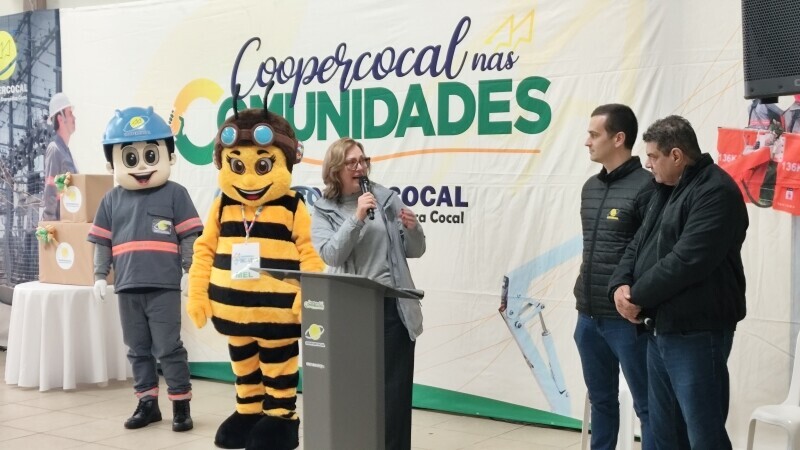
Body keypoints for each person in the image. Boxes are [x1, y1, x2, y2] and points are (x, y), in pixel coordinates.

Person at [186, 97, 324, 450]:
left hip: (278, 314)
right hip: (234, 313)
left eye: (263, 165)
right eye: (236, 165)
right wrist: (198, 293)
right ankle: (248, 410)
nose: (248, 178)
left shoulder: (292, 205)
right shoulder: (223, 205)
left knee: (279, 366)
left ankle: (281, 417)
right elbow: (204, 249)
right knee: (243, 365)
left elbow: (310, 252)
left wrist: (307, 295)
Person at [609, 115, 748, 450]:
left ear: (676, 155)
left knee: (704, 435)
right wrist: (619, 284)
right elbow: (638, 243)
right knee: (666, 433)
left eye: (653, 156)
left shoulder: (716, 191)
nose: (647, 164)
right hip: (661, 330)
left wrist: (637, 296)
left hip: (697, 333)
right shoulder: (665, 190)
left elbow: (687, 261)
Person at [88, 107, 203, 432]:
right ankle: (147, 403)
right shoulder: (111, 200)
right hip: (127, 287)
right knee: (137, 349)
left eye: (150, 155)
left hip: (164, 286)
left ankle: (180, 404)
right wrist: (99, 276)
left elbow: (189, 236)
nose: (141, 165)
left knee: (169, 348)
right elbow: (102, 242)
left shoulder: (176, 194)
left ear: (169, 156)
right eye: (130, 157)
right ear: (113, 163)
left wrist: (189, 269)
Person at [311, 138, 425, 450]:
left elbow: (415, 250)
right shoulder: (324, 210)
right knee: (355, 392)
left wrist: (413, 229)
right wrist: (357, 218)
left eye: (363, 160)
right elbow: (331, 254)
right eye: (352, 162)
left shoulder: (387, 199)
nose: (360, 167)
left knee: (394, 396)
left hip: (392, 310)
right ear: (335, 169)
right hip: (351, 310)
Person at [573, 104, 655, 450]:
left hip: (627, 320)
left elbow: (652, 253)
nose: (587, 142)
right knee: (602, 402)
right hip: (588, 316)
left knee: (648, 407)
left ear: (618, 138)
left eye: (594, 134)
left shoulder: (648, 187)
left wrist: (638, 299)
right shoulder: (590, 187)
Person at [42, 92, 78, 220]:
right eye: (70, 113)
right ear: (60, 118)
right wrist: (49, 226)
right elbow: (50, 192)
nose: (74, 118)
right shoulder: (54, 150)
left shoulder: (66, 152)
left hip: (68, 221)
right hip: (58, 224)